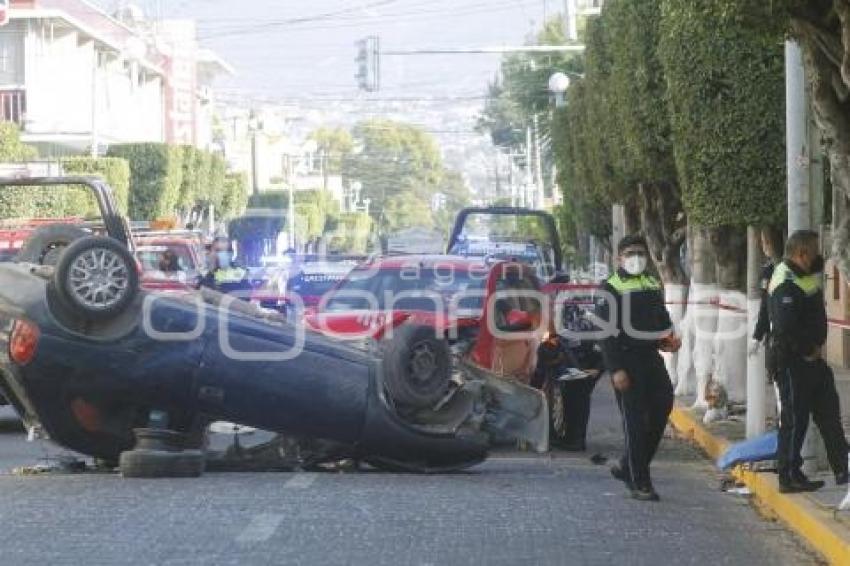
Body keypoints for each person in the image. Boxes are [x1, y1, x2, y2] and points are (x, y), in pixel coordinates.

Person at [596, 235, 680, 501]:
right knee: (633, 422)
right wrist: (615, 369)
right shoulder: (610, 287)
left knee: (662, 406)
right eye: (630, 253)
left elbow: (661, 319)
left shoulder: (651, 282)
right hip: (625, 359)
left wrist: (667, 339)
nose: (636, 258)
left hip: (651, 357)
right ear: (619, 258)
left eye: (640, 253)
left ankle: (626, 465)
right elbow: (606, 332)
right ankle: (639, 481)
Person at [768, 230, 849, 492]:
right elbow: (785, 326)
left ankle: (843, 470)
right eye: (813, 250)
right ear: (802, 253)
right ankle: (788, 475)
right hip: (792, 360)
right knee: (795, 419)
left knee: (829, 414)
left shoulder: (806, 272)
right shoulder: (784, 280)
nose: (817, 255)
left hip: (814, 361)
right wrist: (807, 350)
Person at [750, 228, 783, 382]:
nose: (764, 247)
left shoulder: (773, 271)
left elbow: (765, 306)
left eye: (765, 243)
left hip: (780, 338)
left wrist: (757, 336)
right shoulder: (769, 269)